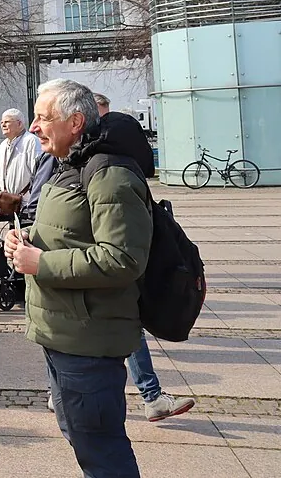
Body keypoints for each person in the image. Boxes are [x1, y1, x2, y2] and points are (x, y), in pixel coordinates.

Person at [5, 79, 151, 477]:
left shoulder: (109, 174)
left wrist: (41, 263)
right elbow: (67, 232)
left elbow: (122, 258)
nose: (35, 127)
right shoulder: (70, 164)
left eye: (42, 118)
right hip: (64, 333)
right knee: (82, 437)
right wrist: (24, 240)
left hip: (89, 339)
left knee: (101, 450)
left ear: (75, 122)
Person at [93, 95, 196, 423]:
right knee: (121, 327)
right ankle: (150, 396)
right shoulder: (108, 167)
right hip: (108, 270)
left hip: (111, 269)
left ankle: (150, 396)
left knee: (123, 327)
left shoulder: (105, 163)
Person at [0, 109, 42, 217]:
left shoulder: (32, 142)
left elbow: (39, 175)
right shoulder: (3, 146)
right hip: (9, 206)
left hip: (27, 206)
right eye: (1, 122)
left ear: (19, 123)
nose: (3, 125)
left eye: (7, 122)